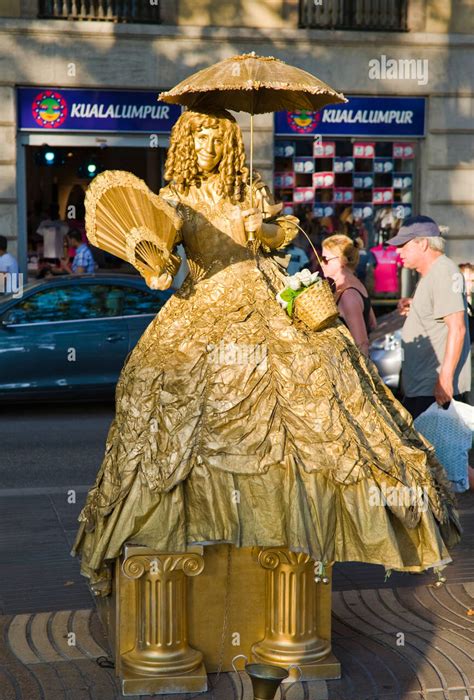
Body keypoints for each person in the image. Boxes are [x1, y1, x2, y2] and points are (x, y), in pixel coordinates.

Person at [72, 108, 460, 598]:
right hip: (201, 304)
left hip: (266, 298)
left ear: (231, 144)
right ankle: (176, 539)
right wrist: (157, 266)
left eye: (215, 139)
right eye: (197, 139)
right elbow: (164, 258)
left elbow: (282, 237)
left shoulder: (250, 191)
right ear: (185, 144)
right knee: (161, 392)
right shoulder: (174, 199)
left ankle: (291, 533)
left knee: (310, 398)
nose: (205, 148)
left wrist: (268, 230)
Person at [388, 216, 471, 420]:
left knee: (433, 450)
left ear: (423, 243)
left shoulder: (443, 272)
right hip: (422, 386)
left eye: (403, 245)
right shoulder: (432, 273)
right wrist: (415, 305)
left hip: (433, 389)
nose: (399, 252)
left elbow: (457, 328)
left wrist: (444, 379)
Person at [321, 234, 377, 357]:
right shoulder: (355, 284)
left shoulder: (348, 295)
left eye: (325, 259)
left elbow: (362, 343)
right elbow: (372, 323)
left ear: (342, 261)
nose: (321, 263)